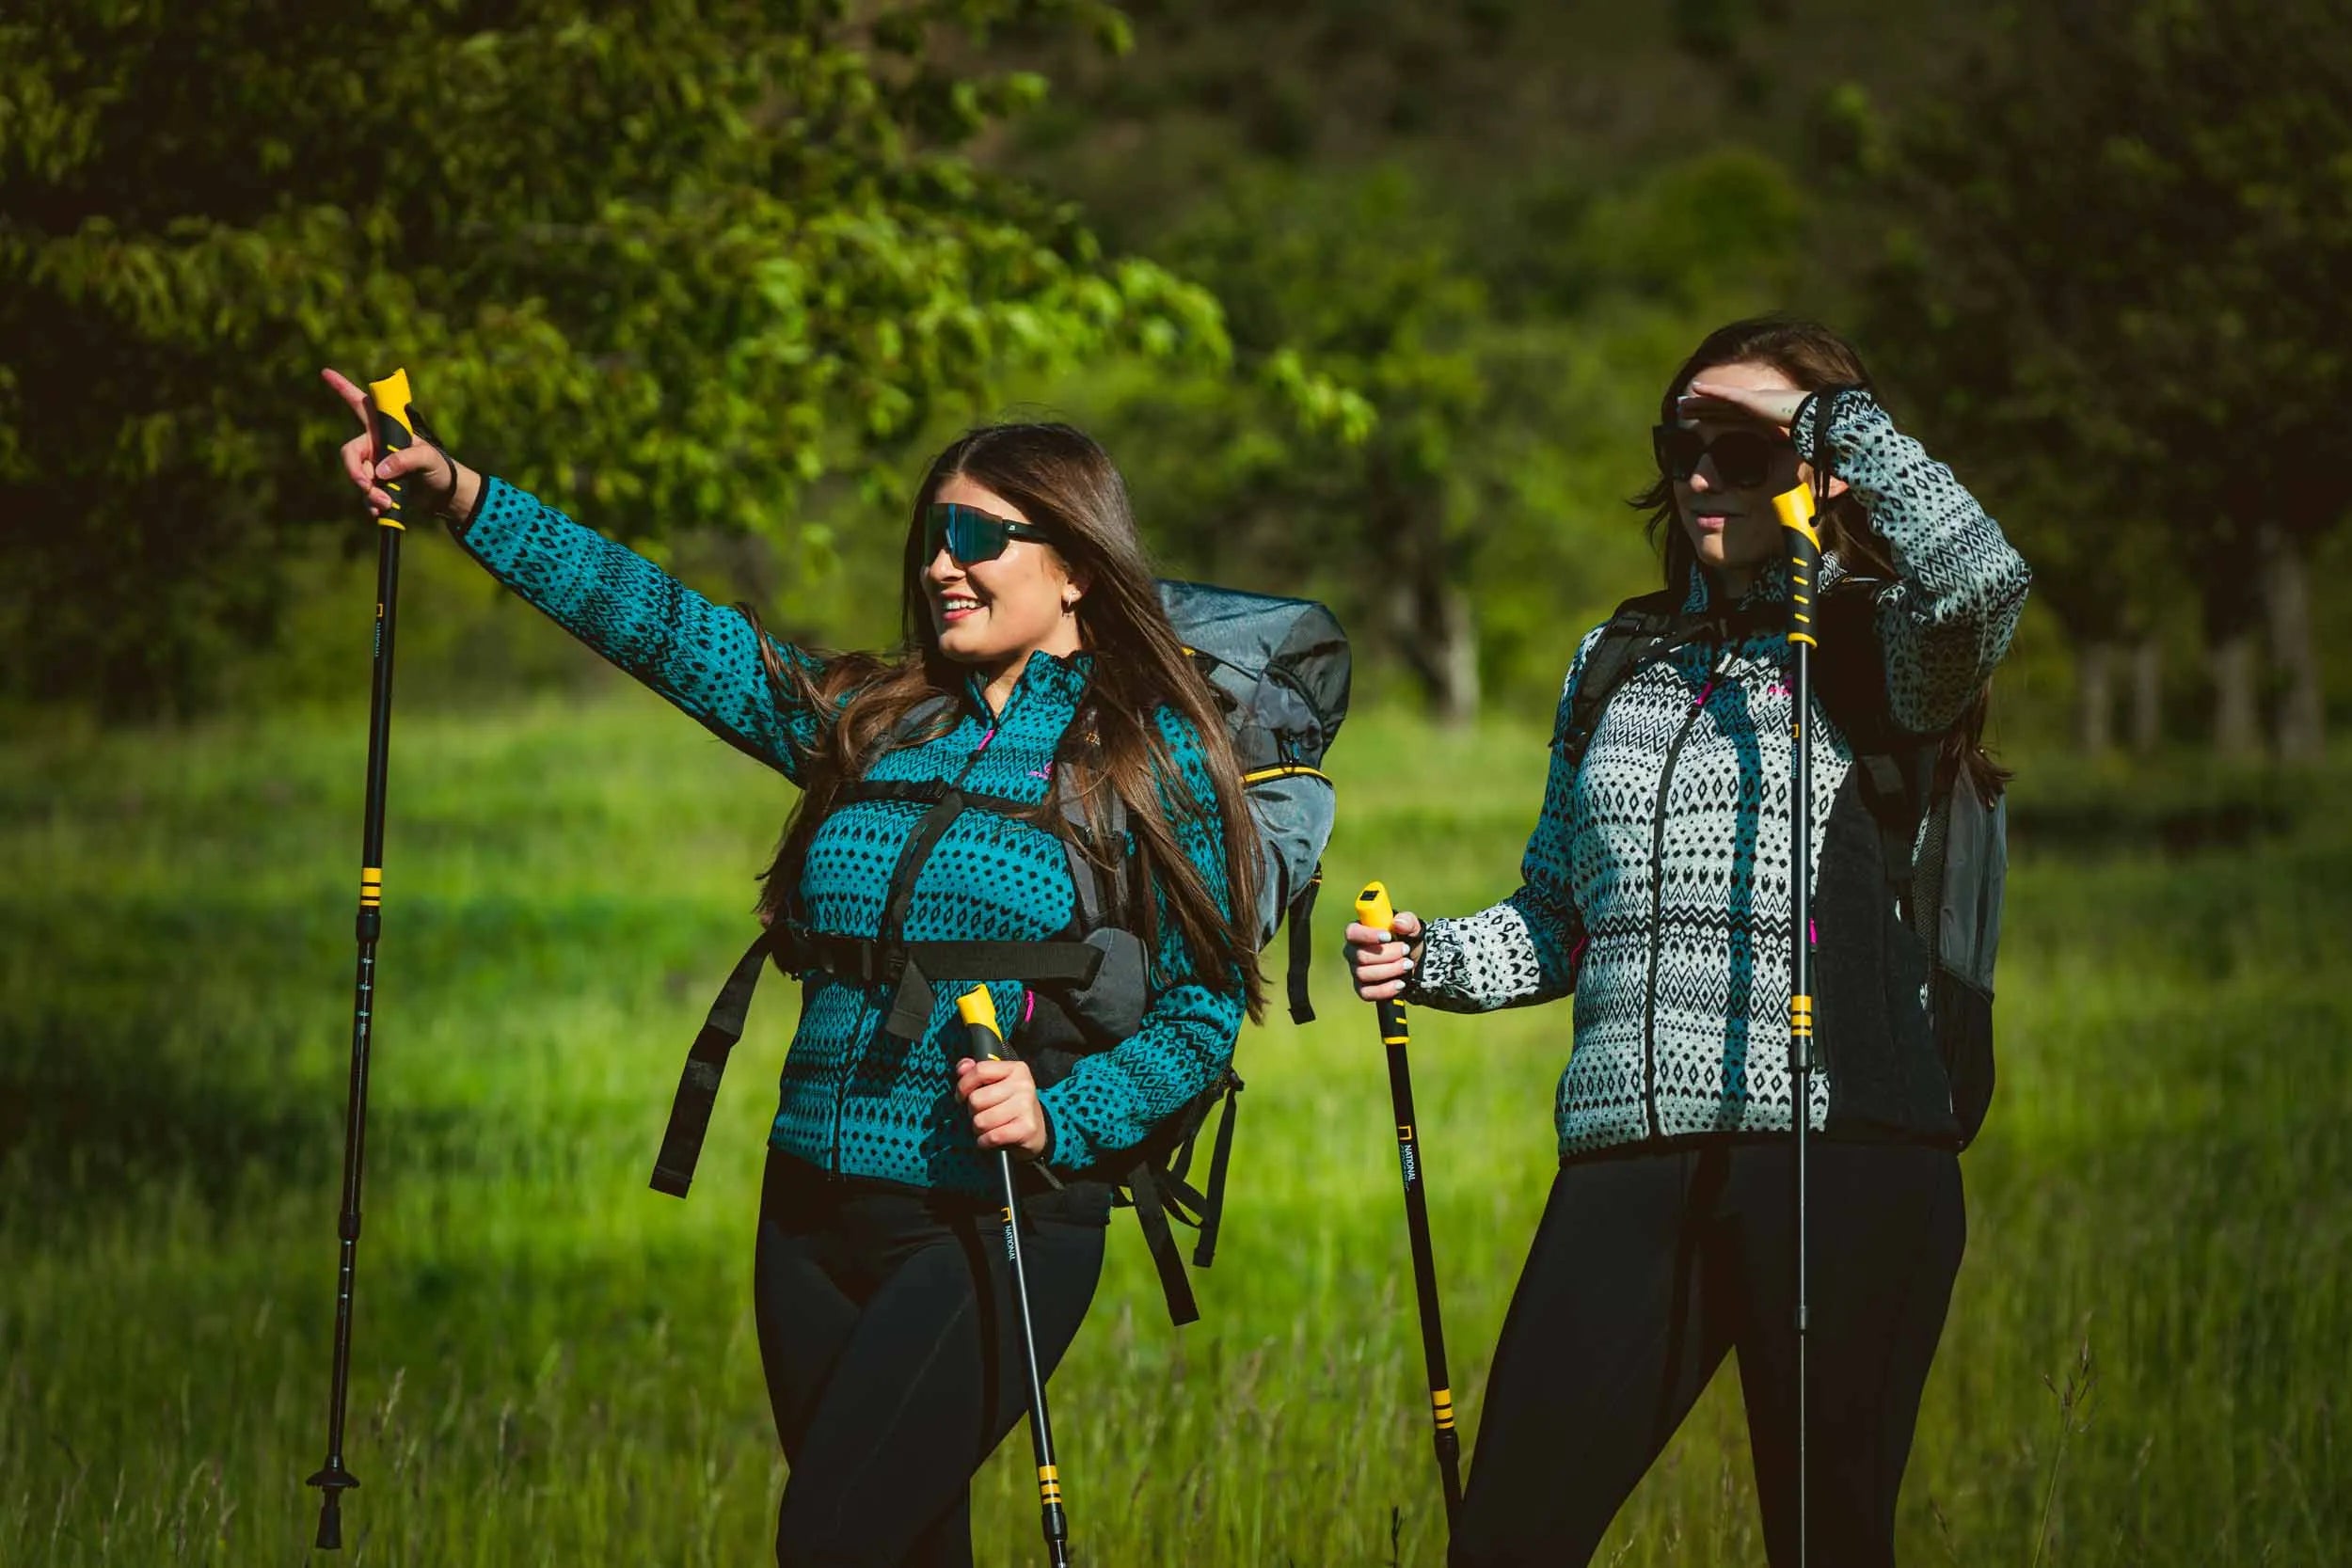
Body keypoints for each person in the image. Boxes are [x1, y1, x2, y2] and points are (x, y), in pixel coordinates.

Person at [322, 370, 1262, 1567]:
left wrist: (1057, 1111)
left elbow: (1203, 1010)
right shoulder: (872, 715)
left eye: (979, 536)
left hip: (994, 1221)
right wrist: (463, 495)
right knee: (905, 1546)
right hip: (807, 1213)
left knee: (827, 1540)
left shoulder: (1143, 753)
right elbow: (663, 627)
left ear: (1074, 560)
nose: (940, 564)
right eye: (933, 533)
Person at [1344, 318, 2031, 1567]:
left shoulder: (1881, 643)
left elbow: (1983, 581)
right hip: (1627, 1156)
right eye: (1683, 443)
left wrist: (1839, 425)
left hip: (1844, 1148)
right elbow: (1558, 909)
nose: (1705, 472)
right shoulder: (1617, 658)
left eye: (1745, 444)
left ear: (1821, 464)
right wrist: (1431, 956)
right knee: (1504, 1539)